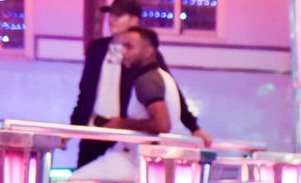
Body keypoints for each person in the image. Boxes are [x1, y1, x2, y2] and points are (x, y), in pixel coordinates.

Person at [44, 26, 189, 183]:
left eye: (130, 46)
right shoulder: (164, 78)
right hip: (143, 161)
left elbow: (160, 123)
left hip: (130, 159)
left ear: (149, 50)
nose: (123, 52)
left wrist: (120, 123)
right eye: (121, 46)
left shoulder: (147, 81)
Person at [70, 0, 211, 172]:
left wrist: (194, 127)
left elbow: (168, 89)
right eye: (111, 14)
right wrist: (72, 128)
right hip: (94, 130)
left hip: (124, 134)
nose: (111, 19)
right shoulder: (97, 48)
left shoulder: (143, 53)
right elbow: (85, 92)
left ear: (134, 20)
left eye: (119, 15)